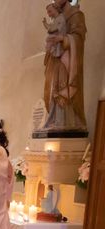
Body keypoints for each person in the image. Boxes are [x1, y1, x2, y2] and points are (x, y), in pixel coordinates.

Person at [42, 0, 87, 132]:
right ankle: (54, 119)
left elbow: (79, 38)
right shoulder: (57, 17)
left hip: (67, 61)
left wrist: (63, 39)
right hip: (55, 58)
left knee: (63, 88)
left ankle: (66, 121)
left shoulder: (76, 14)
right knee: (53, 89)